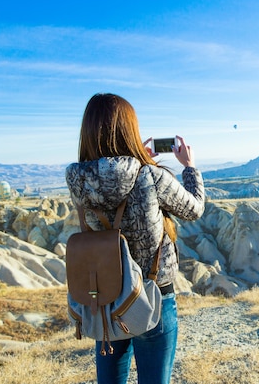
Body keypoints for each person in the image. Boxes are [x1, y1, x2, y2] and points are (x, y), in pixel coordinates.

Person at [65, 93, 205, 384]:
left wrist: (132, 159)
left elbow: (111, 178)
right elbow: (195, 209)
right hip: (153, 295)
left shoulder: (79, 181)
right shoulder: (150, 175)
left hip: (104, 297)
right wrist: (188, 167)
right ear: (130, 131)